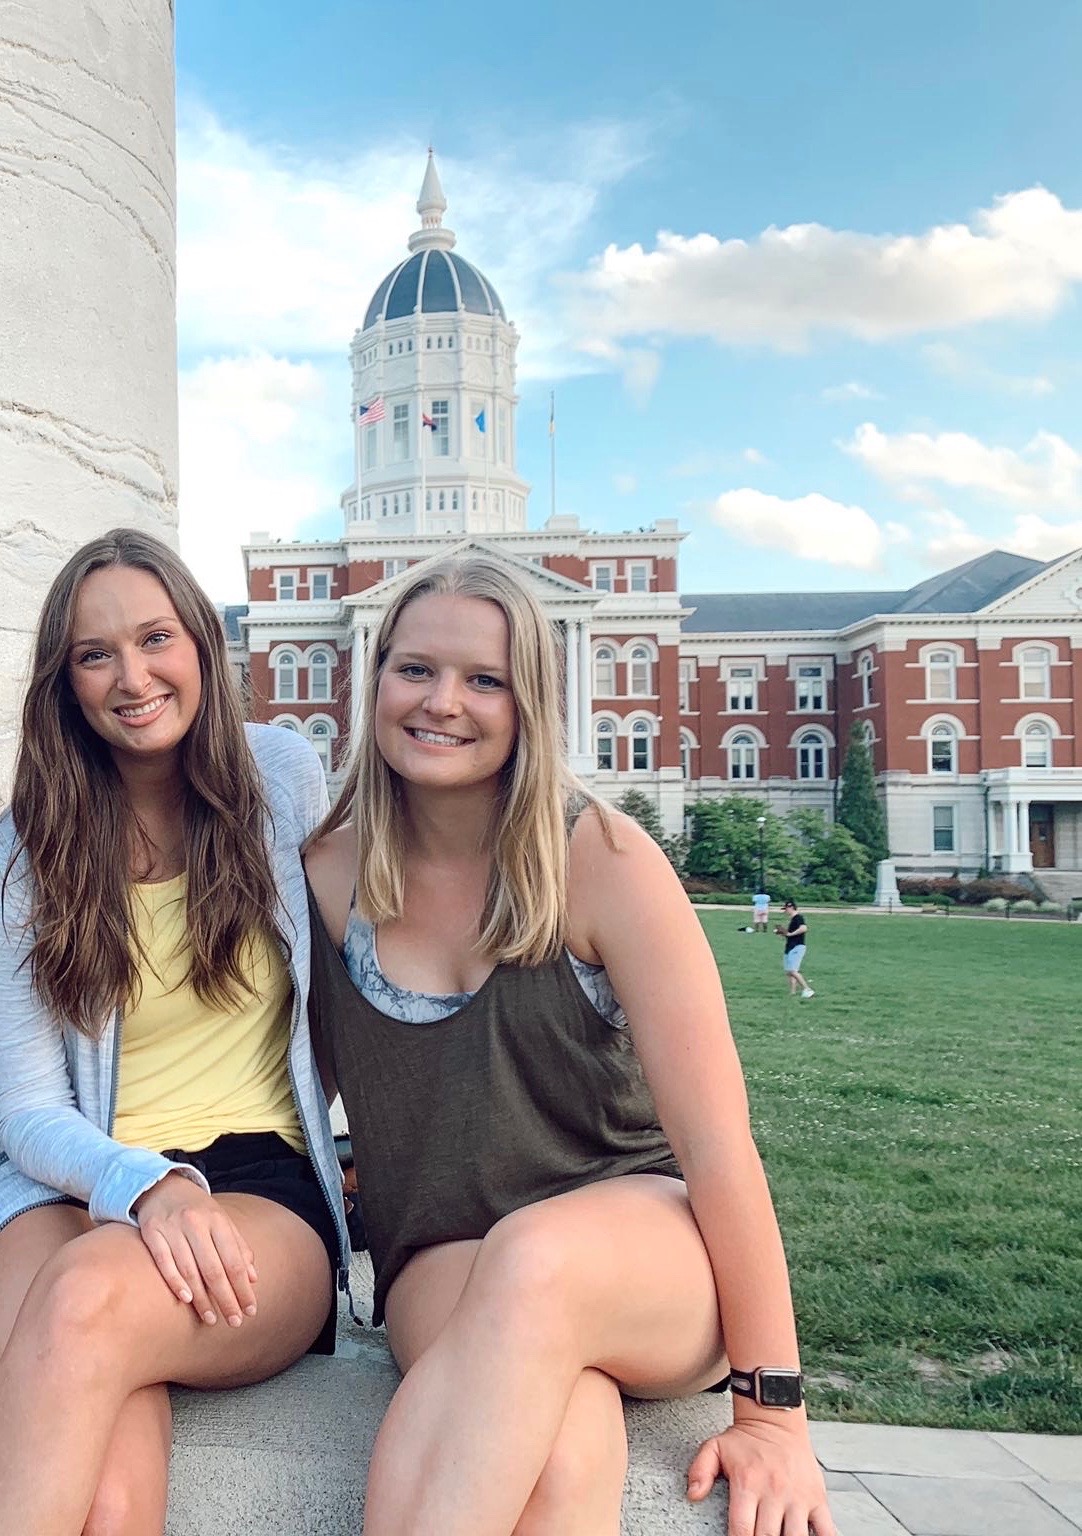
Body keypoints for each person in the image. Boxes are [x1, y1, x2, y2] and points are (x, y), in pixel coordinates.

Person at [304, 556, 835, 1536]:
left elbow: (716, 1144)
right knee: (560, 1454)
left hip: (637, 1244)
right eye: (414, 669)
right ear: (374, 677)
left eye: (483, 679)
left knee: (538, 1259)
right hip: (442, 1253)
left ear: (529, 703)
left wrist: (770, 1412)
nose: (441, 703)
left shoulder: (604, 860)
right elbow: (277, 1095)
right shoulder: (326, 874)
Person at [0, 529, 349, 1535]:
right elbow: (24, 1107)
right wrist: (140, 1184)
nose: (132, 676)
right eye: (93, 654)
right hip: (72, 1183)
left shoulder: (279, 778)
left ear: (200, 641)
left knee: (80, 1306)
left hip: (257, 1189)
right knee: (105, 1464)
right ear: (64, 682)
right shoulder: (30, 842)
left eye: (155, 638)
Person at [777, 899, 814, 998]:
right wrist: (783, 933)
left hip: (797, 946)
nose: (785, 911)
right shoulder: (793, 920)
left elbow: (804, 928)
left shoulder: (798, 918)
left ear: (791, 907)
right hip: (790, 947)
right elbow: (789, 935)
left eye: (786, 909)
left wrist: (790, 933)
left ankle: (807, 989)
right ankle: (792, 992)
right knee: (789, 971)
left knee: (793, 970)